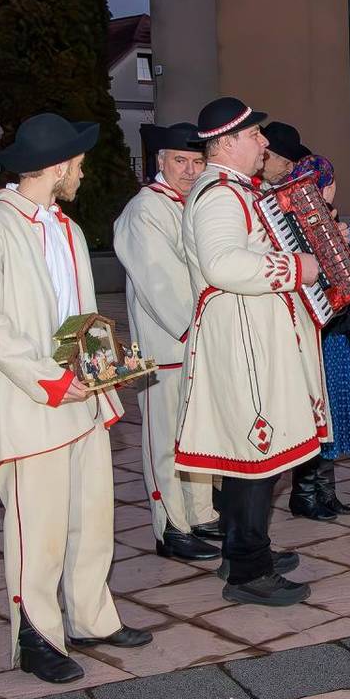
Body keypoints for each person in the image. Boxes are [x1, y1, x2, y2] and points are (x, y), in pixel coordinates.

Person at [0, 113, 152, 684]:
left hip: (82, 400)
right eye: (79, 162)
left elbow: (79, 318)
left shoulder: (64, 227)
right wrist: (48, 379)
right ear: (57, 164)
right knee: (35, 529)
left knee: (92, 517)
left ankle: (91, 616)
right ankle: (35, 636)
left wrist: (105, 372)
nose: (84, 171)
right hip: (30, 404)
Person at [176, 97, 328, 607]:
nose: (264, 142)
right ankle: (246, 571)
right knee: (251, 456)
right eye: (255, 135)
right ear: (227, 143)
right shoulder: (219, 195)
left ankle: (247, 547)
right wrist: (296, 268)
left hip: (255, 333)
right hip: (241, 337)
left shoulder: (241, 191)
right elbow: (222, 265)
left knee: (256, 455)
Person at [113, 123, 221, 562]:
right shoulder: (146, 210)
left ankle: (200, 513)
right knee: (164, 441)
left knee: (195, 437)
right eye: (181, 161)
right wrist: (203, 327)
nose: (191, 170)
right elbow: (161, 284)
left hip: (195, 343)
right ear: (160, 162)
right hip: (166, 347)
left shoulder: (189, 204)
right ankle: (169, 527)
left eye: (198, 162)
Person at [280, 154, 350, 520]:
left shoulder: (316, 224)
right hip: (325, 332)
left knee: (327, 414)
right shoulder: (313, 226)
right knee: (320, 413)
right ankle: (305, 494)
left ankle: (323, 491)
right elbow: (339, 285)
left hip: (326, 332)